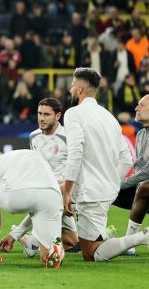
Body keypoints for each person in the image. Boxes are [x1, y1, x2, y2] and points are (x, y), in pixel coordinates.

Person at [63, 68, 149, 262]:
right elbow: (126, 158)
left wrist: (67, 190)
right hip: (106, 189)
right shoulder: (109, 117)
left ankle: (140, 237)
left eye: (72, 85)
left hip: (89, 191)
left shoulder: (73, 114)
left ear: (80, 89)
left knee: (91, 252)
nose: (70, 89)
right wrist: (113, 182)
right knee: (93, 241)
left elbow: (75, 153)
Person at [0, 98, 79, 253]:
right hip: (43, 190)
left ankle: (26, 239)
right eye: (39, 113)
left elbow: (76, 169)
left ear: (57, 116)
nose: (41, 118)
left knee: (73, 244)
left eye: (46, 114)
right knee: (72, 244)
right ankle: (33, 241)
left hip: (65, 192)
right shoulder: (33, 136)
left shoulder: (69, 137)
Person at [0, 150, 66, 268]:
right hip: (53, 195)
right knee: (46, 257)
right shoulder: (31, 155)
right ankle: (55, 249)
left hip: (18, 196)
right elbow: (36, 204)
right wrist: (15, 234)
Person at [112, 95, 149, 256]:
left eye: (141, 105)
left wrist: (121, 183)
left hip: (145, 187)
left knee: (145, 186)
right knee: (104, 192)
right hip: (143, 189)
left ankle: (128, 242)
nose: (136, 108)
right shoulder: (141, 134)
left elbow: (147, 170)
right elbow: (139, 167)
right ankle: (95, 236)